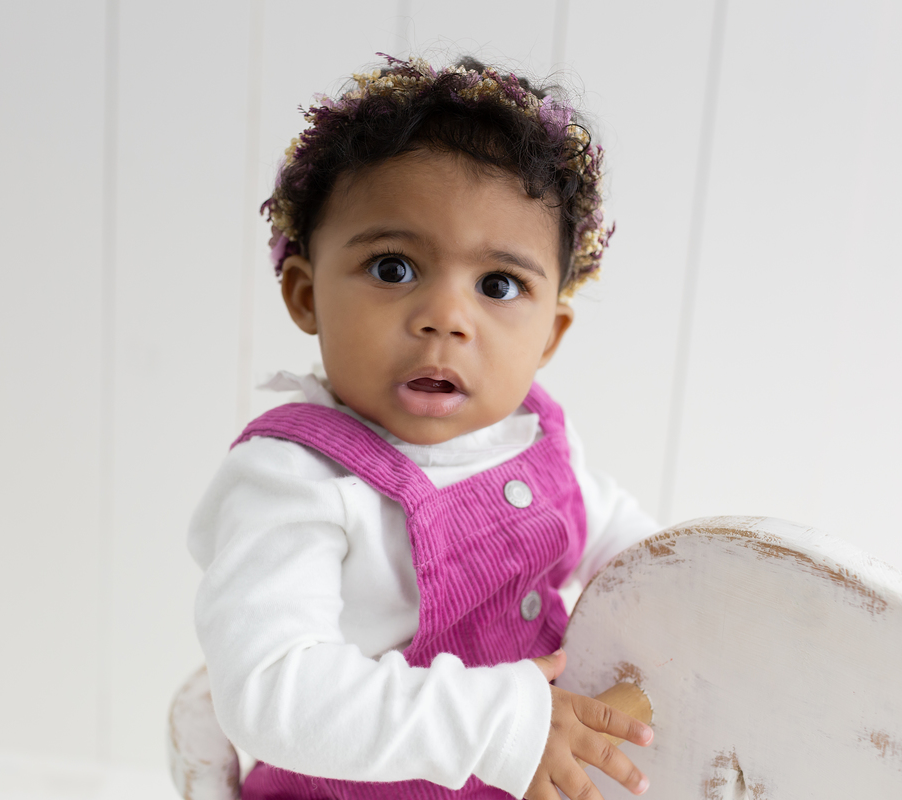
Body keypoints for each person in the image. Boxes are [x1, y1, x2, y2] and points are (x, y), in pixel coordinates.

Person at [188, 54, 658, 800]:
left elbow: (627, 551)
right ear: (306, 296)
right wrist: (499, 724)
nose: (446, 316)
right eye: (393, 268)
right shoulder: (294, 478)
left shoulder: (536, 437)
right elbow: (273, 689)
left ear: (550, 334)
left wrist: (696, 603)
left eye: (498, 284)